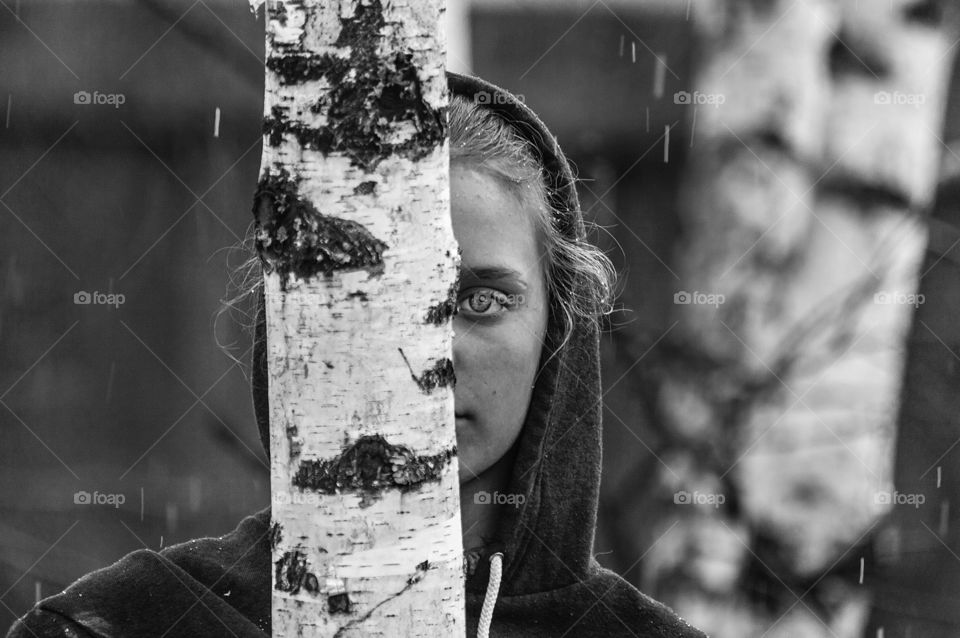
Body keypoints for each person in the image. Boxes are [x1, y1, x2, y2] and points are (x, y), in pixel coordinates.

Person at [6, 72, 706, 638]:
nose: (430, 355)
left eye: (481, 301)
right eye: (385, 299)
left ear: (555, 326)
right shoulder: (128, 626)